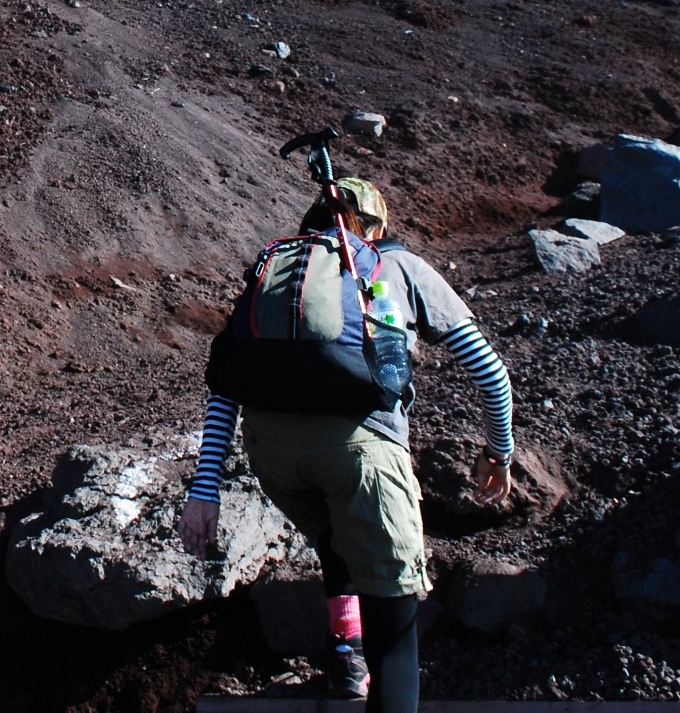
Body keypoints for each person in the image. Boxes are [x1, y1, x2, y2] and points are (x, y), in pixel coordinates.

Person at [179, 177, 514, 711]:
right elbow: (490, 373)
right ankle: (372, 663)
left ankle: (344, 655)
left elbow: (226, 386)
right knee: (396, 631)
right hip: (362, 454)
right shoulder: (395, 266)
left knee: (337, 537)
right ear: (376, 229)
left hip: (274, 456)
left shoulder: (280, 275)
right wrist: (500, 453)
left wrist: (205, 492)